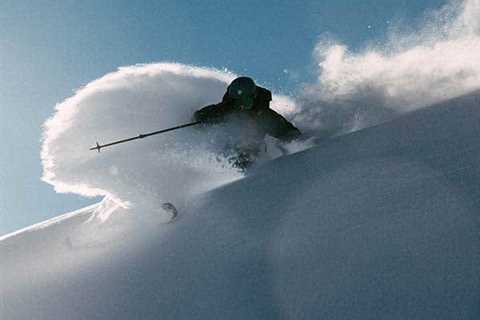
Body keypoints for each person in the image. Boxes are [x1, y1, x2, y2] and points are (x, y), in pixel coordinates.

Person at [194, 76, 301, 169]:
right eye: (237, 102)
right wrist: (201, 119)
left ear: (253, 97)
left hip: (252, 154)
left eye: (244, 102)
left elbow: (289, 133)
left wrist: (298, 141)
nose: (240, 107)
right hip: (226, 151)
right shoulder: (226, 109)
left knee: (246, 153)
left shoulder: (265, 116)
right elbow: (201, 116)